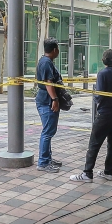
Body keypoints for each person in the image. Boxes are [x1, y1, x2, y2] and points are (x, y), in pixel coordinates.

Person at [70, 49, 112, 183]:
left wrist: (95, 98)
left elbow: (100, 95)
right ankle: (108, 172)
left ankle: (87, 173)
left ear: (103, 60)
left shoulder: (102, 74)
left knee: (94, 143)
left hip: (104, 113)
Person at [36, 38, 62, 173]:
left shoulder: (45, 61)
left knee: (49, 131)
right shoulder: (46, 63)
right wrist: (55, 99)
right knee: (47, 132)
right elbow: (48, 83)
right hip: (47, 101)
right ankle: (43, 163)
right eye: (57, 49)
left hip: (45, 99)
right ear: (54, 50)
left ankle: (47, 158)